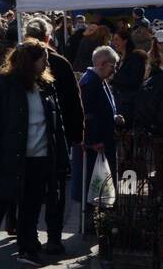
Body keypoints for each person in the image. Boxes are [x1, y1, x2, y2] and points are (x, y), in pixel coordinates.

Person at [0, 40, 68, 267]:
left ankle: (26, 248)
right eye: (43, 58)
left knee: (31, 204)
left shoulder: (45, 86)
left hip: (40, 156)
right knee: (0, 200)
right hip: (10, 155)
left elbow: (56, 123)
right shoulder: (3, 85)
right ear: (30, 61)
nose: (46, 63)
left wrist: (60, 156)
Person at [26, 17, 83, 254]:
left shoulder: (16, 64)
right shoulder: (59, 63)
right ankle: (52, 237)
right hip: (52, 139)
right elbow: (73, 102)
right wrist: (77, 135)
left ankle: (29, 237)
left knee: (31, 193)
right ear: (48, 37)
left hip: (30, 142)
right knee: (53, 192)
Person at [79, 46, 122, 230]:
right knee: (95, 183)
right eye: (113, 66)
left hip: (104, 140)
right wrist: (93, 140)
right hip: (98, 144)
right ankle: (92, 222)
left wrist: (114, 117)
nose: (114, 70)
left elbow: (102, 110)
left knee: (102, 181)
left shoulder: (99, 80)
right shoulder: (90, 82)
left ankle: (101, 219)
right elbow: (88, 116)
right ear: (103, 64)